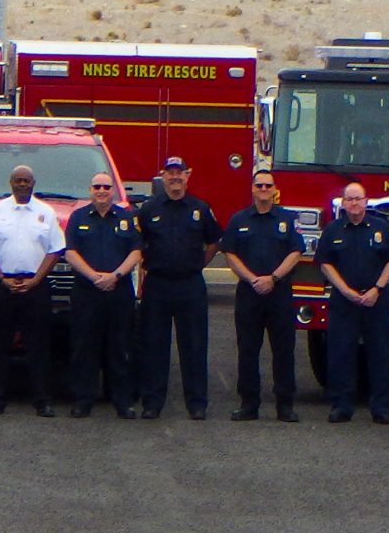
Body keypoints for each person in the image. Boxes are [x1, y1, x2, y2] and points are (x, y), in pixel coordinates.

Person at [134, 156, 222, 420]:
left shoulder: (200, 208)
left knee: (194, 345)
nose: (175, 177)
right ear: (162, 176)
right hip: (158, 284)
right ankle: (152, 402)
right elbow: (138, 247)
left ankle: (196, 403)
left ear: (188, 176)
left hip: (190, 284)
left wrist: (196, 265)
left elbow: (214, 242)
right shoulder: (149, 209)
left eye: (179, 173)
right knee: (154, 346)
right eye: (170, 173)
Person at [0, 164, 65, 417]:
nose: (22, 184)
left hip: (35, 286)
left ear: (34, 183)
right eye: (18, 180)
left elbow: (56, 249)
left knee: (39, 344)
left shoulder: (46, 212)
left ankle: (42, 399)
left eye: (26, 180)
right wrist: (1, 277)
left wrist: (37, 279)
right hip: (3, 285)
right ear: (11, 183)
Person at [315, 183, 389, 424]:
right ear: (343, 203)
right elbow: (324, 263)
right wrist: (344, 290)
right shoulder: (333, 230)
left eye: (358, 199)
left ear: (366, 202)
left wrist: (377, 288)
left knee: (381, 354)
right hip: (344, 301)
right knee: (341, 353)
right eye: (350, 199)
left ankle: (382, 408)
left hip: (377, 300)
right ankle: (342, 406)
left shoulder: (381, 228)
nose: (354, 203)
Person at [221, 170, 304, 423]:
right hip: (249, 293)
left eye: (268, 185)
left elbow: (296, 251)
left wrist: (273, 278)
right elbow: (230, 253)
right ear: (253, 189)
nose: (264, 189)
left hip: (279, 293)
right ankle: (249, 404)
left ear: (274, 189)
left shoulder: (287, 219)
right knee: (247, 350)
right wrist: (252, 279)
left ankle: (285, 405)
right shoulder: (239, 219)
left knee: (283, 351)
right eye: (260, 185)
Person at [63, 171, 143, 418]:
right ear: (90, 190)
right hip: (87, 291)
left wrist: (115, 276)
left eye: (106, 187)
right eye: (97, 186)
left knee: (119, 347)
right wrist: (93, 276)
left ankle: (122, 401)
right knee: (84, 347)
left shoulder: (127, 218)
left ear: (114, 191)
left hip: (118, 292)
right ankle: (83, 400)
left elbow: (137, 252)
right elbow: (70, 252)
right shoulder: (77, 217)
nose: (101, 191)